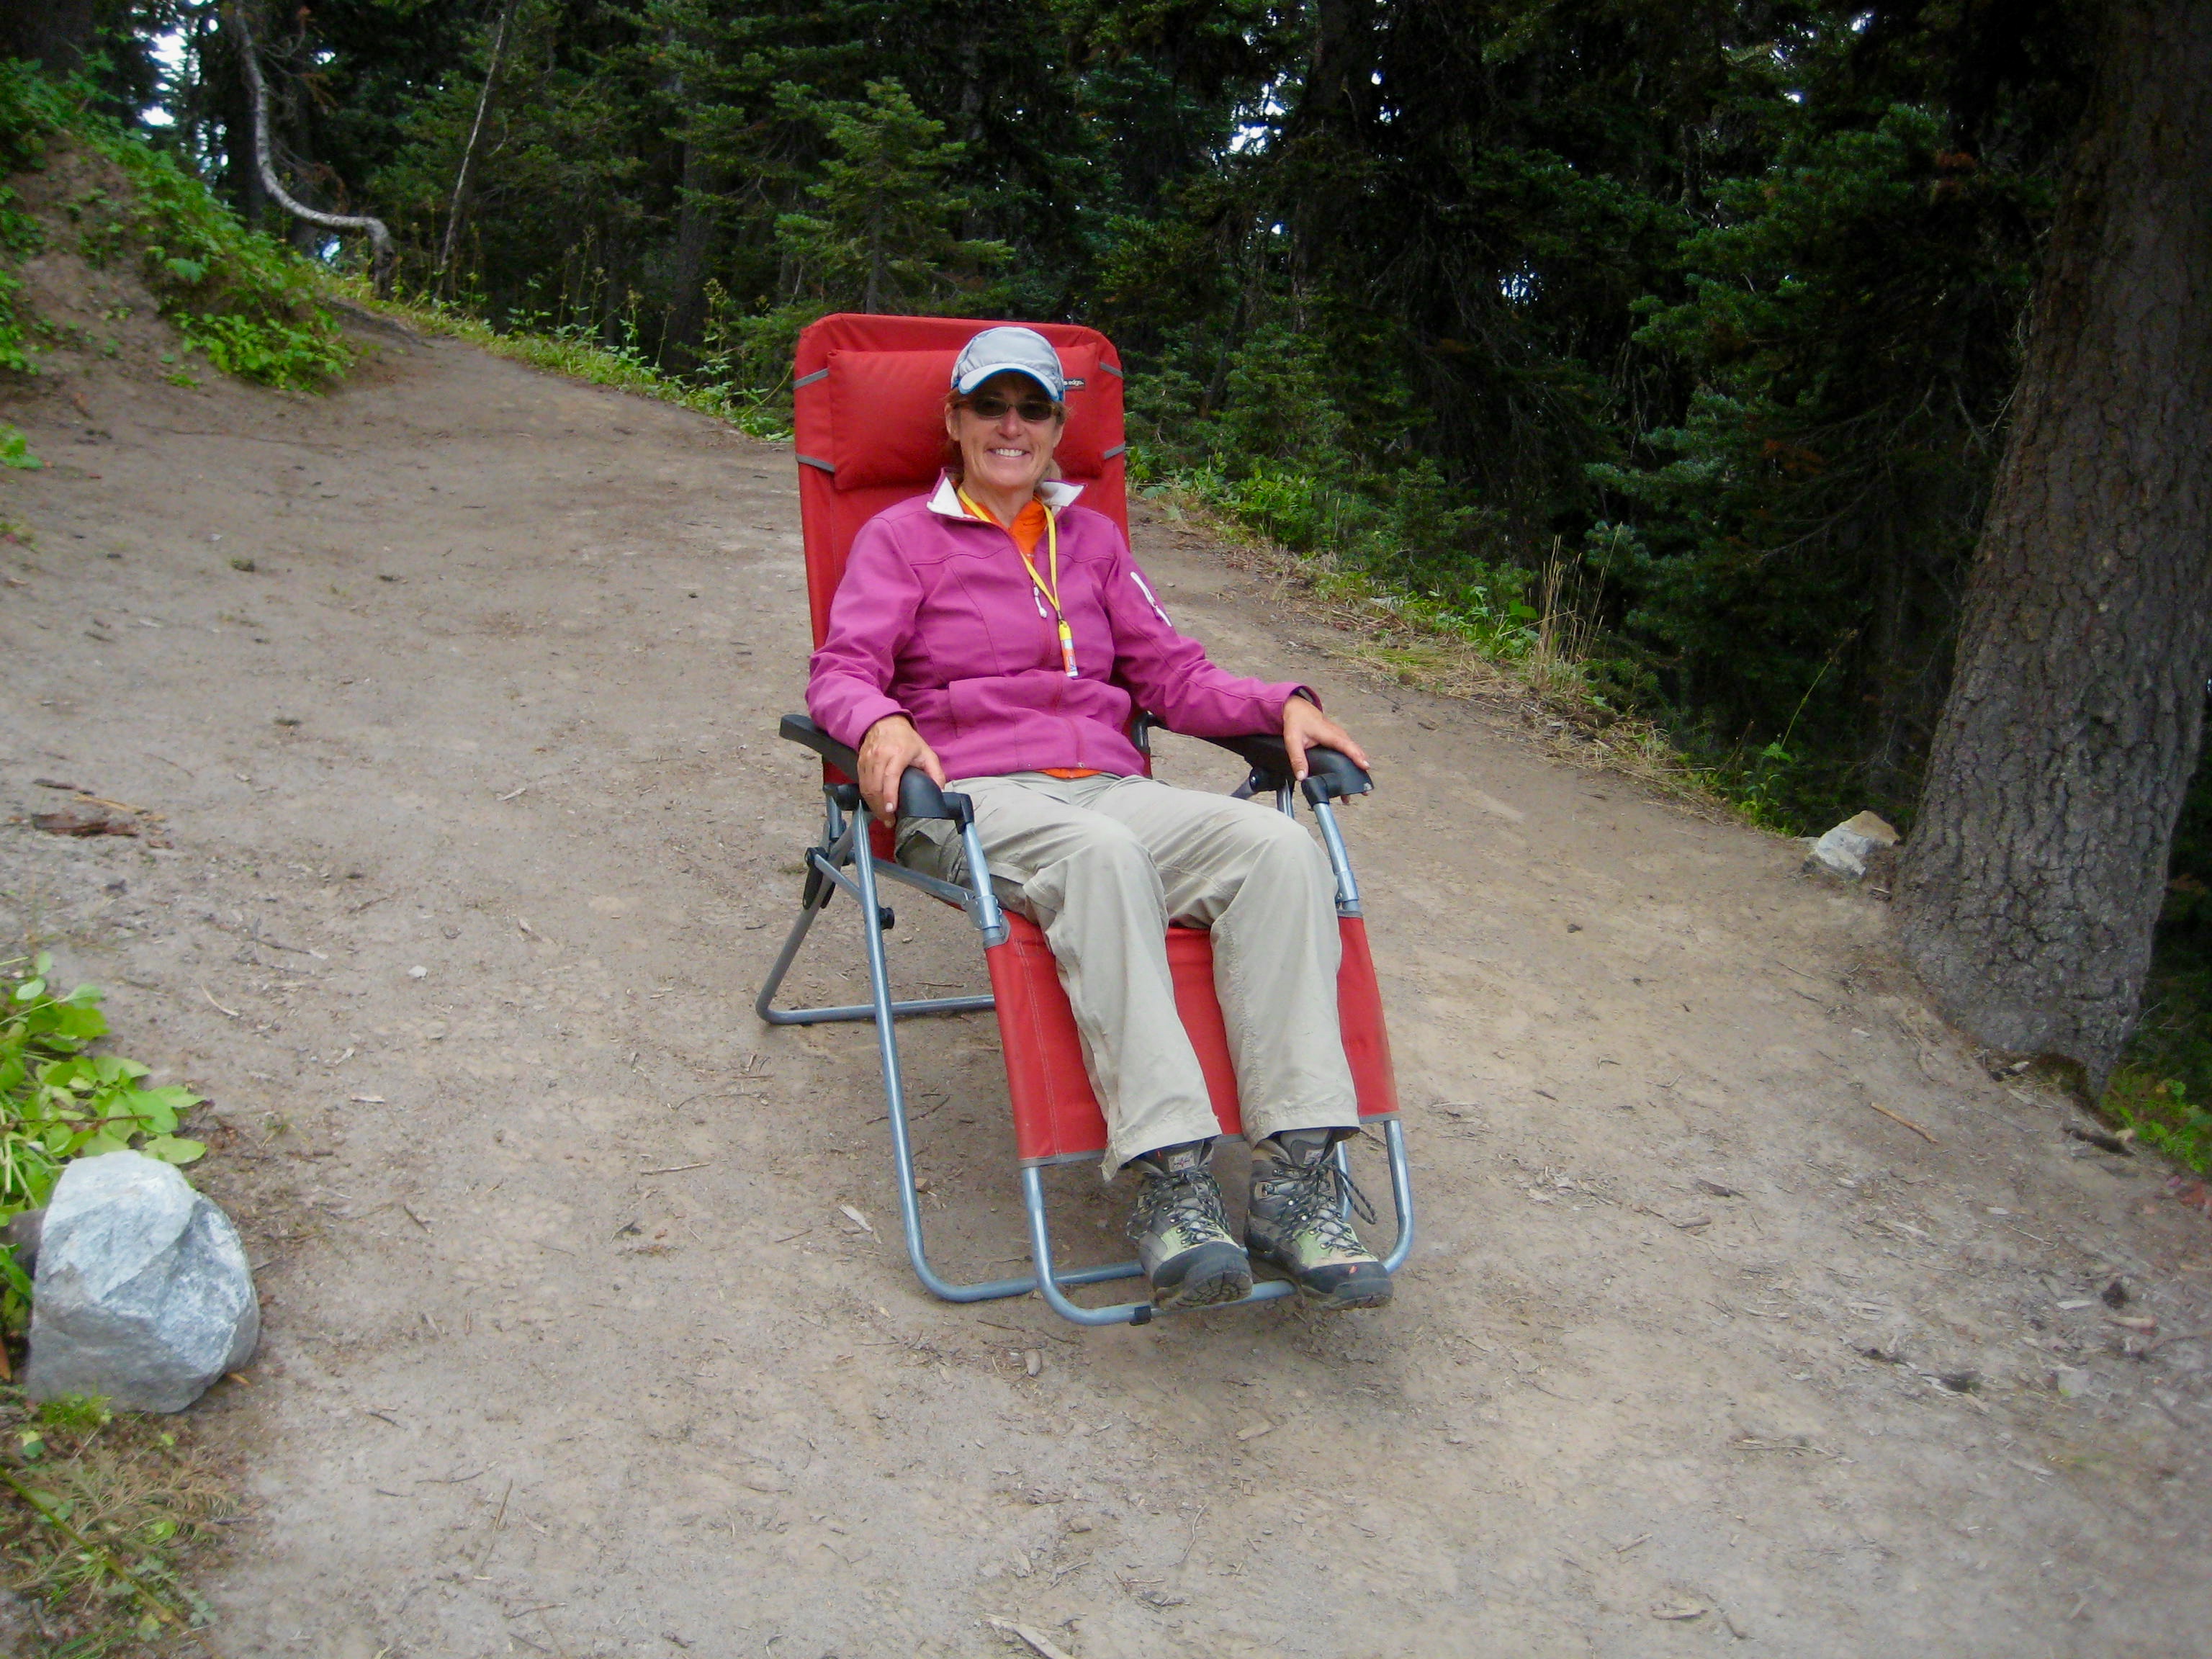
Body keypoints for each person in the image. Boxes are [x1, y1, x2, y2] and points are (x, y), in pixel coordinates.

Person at [806, 325, 1391, 1313]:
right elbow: (842, 670)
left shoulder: (1093, 542)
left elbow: (1173, 673)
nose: (1010, 426)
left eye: (1032, 409)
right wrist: (882, 725)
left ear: (1057, 430)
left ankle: (1295, 1180)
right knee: (1103, 854)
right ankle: (1173, 1180)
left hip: (1110, 785)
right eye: (989, 406)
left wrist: (1277, 705)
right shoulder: (900, 538)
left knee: (1279, 850)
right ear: (952, 423)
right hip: (976, 793)